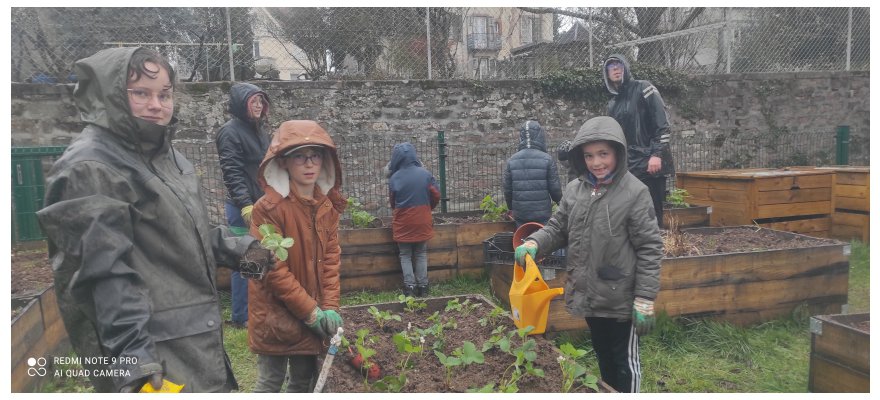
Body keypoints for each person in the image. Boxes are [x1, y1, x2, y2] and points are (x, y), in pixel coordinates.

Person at [36, 47, 275, 393]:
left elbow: (183, 233)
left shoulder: (165, 156)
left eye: (164, 94)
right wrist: (134, 362)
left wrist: (244, 252)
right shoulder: (91, 167)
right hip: (152, 355)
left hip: (192, 340)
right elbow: (103, 276)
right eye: (140, 94)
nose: (156, 104)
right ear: (112, 95)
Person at [514, 116, 663, 393]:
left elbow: (650, 248)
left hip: (621, 298)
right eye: (589, 156)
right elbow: (558, 227)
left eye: (603, 154)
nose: (597, 163)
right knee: (603, 356)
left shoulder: (634, 193)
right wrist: (534, 243)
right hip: (589, 293)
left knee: (625, 362)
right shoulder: (575, 190)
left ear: (618, 152)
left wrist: (644, 299)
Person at [248, 120, 347, 392]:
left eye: (315, 155)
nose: (309, 163)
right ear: (283, 163)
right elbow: (269, 270)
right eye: (300, 156)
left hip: (310, 312)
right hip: (274, 314)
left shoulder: (328, 207)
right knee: (270, 382)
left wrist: (329, 307)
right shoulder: (265, 209)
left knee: (302, 382)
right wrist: (310, 312)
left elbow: (329, 263)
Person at [216, 82, 272, 329]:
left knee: (257, 256)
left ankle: (254, 310)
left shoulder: (259, 130)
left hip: (261, 203)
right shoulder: (230, 132)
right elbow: (233, 172)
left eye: (261, 101)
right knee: (244, 258)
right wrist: (246, 205)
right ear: (242, 105)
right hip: (243, 208)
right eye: (253, 101)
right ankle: (242, 316)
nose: (259, 105)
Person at [603, 54, 674, 228]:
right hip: (627, 166)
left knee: (651, 213)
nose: (616, 69)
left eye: (619, 64)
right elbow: (613, 138)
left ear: (626, 67)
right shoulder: (612, 104)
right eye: (610, 67)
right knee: (629, 214)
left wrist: (657, 154)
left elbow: (663, 125)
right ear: (606, 74)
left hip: (650, 163)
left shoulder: (644, 88)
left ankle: (655, 251)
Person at [387, 142, 440, 297]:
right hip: (422, 220)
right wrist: (428, 207)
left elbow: (392, 202)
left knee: (405, 254)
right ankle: (423, 287)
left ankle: (410, 287)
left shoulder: (394, 178)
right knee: (421, 253)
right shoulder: (425, 174)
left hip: (403, 222)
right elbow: (436, 195)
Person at [502, 119, 563, 228]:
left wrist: (511, 207)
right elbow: (555, 188)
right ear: (540, 136)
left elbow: (507, 189)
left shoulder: (511, 161)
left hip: (521, 212)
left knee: (522, 238)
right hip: (542, 212)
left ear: (521, 137)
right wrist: (559, 202)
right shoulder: (547, 160)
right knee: (543, 238)